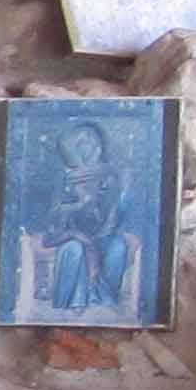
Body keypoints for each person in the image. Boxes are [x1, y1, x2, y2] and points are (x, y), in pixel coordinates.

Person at [28, 116, 146, 321]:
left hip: (104, 232)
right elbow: (55, 212)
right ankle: (73, 302)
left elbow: (116, 211)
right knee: (73, 249)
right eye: (82, 143)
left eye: (93, 142)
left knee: (118, 248)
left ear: (101, 145)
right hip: (71, 233)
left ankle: (104, 298)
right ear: (73, 147)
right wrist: (78, 206)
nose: (89, 147)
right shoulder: (67, 178)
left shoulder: (110, 175)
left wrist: (112, 211)